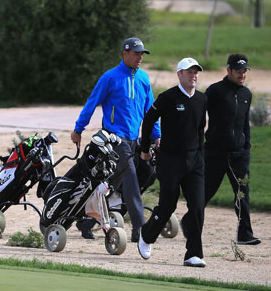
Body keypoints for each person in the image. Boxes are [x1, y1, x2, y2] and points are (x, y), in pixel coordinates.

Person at [71, 37, 160, 240]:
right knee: (131, 178)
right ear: (125, 53)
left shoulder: (144, 79)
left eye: (141, 54)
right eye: (136, 53)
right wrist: (78, 129)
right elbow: (92, 103)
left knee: (112, 182)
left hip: (133, 140)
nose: (139, 57)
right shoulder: (110, 77)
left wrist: (157, 136)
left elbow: (150, 112)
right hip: (113, 139)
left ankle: (87, 221)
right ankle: (140, 228)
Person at [137, 57, 208, 267]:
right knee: (168, 205)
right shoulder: (168, 97)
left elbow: (199, 129)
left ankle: (193, 254)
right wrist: (144, 150)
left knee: (197, 208)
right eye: (189, 72)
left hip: (194, 161)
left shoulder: (202, 99)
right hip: (170, 161)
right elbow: (149, 119)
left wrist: (201, 157)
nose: (193, 76)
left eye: (196, 72)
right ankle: (147, 236)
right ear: (179, 74)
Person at [198, 53, 260, 245]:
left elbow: (245, 125)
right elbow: (199, 117)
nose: (242, 74)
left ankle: (245, 234)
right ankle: (190, 223)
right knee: (204, 193)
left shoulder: (246, 94)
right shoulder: (215, 91)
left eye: (244, 71)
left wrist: (246, 149)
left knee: (242, 194)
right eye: (238, 71)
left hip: (238, 155)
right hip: (215, 153)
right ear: (229, 71)